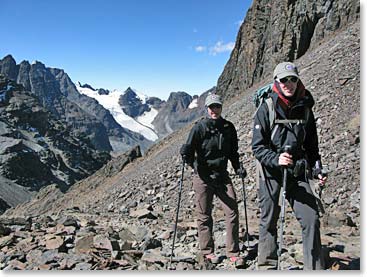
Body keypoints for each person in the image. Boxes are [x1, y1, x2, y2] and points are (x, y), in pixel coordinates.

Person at [252, 61, 327, 270]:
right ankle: (267, 266)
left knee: (311, 218)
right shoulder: (266, 108)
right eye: (284, 80)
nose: (289, 83)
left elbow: (312, 146)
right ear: (277, 81)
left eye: (293, 79)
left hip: (297, 170)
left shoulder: (305, 109)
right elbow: (257, 147)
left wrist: (317, 170)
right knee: (269, 219)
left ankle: (314, 269)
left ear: (298, 80)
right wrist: (276, 159)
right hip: (270, 172)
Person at [180, 94, 246, 266]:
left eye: (217, 106)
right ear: (207, 108)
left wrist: (238, 167)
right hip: (203, 176)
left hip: (222, 175)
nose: (214, 110)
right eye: (211, 107)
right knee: (204, 215)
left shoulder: (228, 127)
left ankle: (233, 252)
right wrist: (190, 161)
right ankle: (207, 252)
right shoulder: (199, 128)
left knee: (232, 211)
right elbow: (188, 150)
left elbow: (233, 152)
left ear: (221, 107)